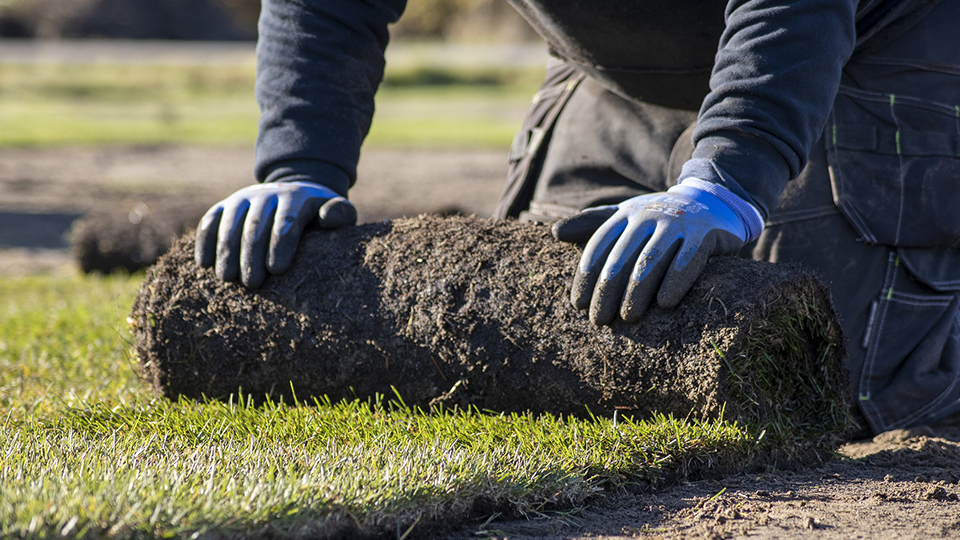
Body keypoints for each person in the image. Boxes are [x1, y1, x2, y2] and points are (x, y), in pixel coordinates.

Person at [194, 0, 960, 436]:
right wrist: (299, 166)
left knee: (839, 391)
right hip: (612, 66)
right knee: (535, 352)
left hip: (868, 39)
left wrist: (728, 176)